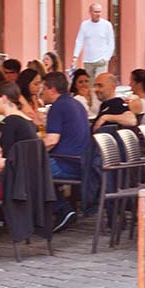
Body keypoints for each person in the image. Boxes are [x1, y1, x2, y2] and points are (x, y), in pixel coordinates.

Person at [41, 71, 91, 231]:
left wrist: (28, 150)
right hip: (83, 161)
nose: (42, 92)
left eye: (44, 88)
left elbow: (51, 140)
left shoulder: (57, 106)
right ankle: (62, 208)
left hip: (67, 163)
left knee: (31, 168)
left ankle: (61, 209)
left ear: (52, 89)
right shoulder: (76, 104)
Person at [0, 83, 38, 201]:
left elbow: (6, 160)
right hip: (28, 181)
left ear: (3, 98)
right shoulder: (26, 120)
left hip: (13, 184)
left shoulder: (10, 122)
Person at [73, 3, 115, 78]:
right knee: (90, 84)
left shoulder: (107, 25)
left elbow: (111, 42)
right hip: (88, 60)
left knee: (99, 82)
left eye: (99, 12)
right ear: (90, 12)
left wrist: (106, 58)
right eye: (96, 12)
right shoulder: (85, 25)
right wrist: (75, 56)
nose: (98, 14)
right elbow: (79, 41)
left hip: (101, 60)